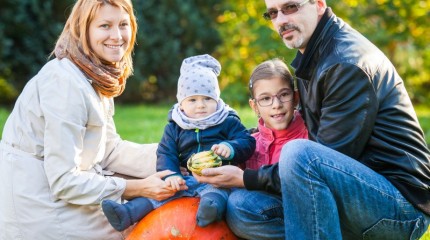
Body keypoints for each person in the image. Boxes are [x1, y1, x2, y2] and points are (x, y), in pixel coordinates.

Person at [194, 0, 430, 239]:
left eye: (290, 7)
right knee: (243, 207)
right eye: (273, 13)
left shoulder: (344, 64)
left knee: (298, 154)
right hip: (353, 189)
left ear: (318, 4)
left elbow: (319, 158)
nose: (281, 20)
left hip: (400, 207)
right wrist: (230, 147)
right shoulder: (313, 56)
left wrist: (246, 177)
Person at [0, 1, 185, 239]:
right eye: (105, 26)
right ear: (82, 29)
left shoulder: (92, 73)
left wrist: (179, 156)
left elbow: (108, 149)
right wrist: (137, 187)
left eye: (123, 25)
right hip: (40, 205)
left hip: (62, 192)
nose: (117, 36)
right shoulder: (65, 84)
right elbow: (64, 180)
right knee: (133, 227)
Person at [101, 54, 256, 231]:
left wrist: (231, 147)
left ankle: (211, 211)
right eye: (192, 100)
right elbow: (166, 153)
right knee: (160, 195)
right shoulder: (176, 127)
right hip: (185, 180)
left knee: (217, 195)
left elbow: (247, 141)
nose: (201, 105)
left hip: (218, 179)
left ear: (217, 100)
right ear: (181, 104)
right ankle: (126, 213)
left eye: (207, 98)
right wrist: (172, 175)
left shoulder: (227, 121)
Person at [244, 58, 308, 171]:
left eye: (284, 95)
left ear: (296, 98)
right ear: (254, 106)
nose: (276, 105)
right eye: (266, 98)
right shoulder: (247, 146)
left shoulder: (309, 141)